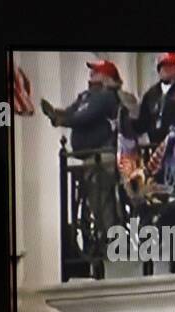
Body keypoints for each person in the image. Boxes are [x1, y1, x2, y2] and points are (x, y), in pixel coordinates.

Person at [42, 59, 124, 233]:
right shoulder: (85, 96)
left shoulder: (106, 96)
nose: (92, 72)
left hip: (102, 154)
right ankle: (103, 236)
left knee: (102, 199)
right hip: (90, 156)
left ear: (107, 76)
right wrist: (57, 114)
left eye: (97, 70)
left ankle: (111, 237)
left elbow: (86, 116)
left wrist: (62, 120)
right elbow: (73, 111)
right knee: (95, 201)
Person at [134, 52, 175, 146]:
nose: (166, 70)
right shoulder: (151, 94)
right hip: (156, 145)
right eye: (163, 67)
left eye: (170, 66)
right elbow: (143, 121)